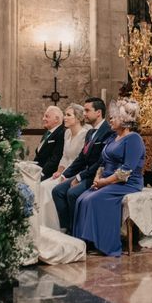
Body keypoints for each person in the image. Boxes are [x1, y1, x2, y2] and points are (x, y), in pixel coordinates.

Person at [73, 98, 145, 256]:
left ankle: (105, 244)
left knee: (94, 199)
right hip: (107, 181)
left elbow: (126, 171)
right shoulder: (113, 137)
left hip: (126, 183)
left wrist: (104, 182)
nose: (110, 119)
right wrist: (97, 179)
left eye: (114, 116)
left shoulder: (134, 139)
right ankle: (87, 242)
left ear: (125, 119)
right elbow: (103, 162)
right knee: (81, 199)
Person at [52, 97, 114, 234]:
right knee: (57, 191)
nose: (84, 113)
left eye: (87, 110)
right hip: (86, 173)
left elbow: (101, 161)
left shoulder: (108, 131)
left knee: (72, 193)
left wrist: (79, 177)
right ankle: (68, 227)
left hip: (97, 175)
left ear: (98, 112)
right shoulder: (91, 132)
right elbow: (82, 158)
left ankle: (80, 232)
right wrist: (64, 174)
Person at [37, 103, 91, 230]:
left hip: (76, 172)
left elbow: (82, 160)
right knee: (43, 185)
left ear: (78, 118)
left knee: (47, 187)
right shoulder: (67, 133)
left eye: (68, 115)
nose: (65, 118)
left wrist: (68, 175)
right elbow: (64, 156)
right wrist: (59, 171)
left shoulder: (85, 134)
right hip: (64, 171)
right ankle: (46, 225)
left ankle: (60, 226)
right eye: (65, 115)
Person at [34, 106, 65, 180]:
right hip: (38, 171)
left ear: (56, 119)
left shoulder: (61, 133)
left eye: (47, 116)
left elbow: (55, 158)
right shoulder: (48, 132)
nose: (43, 119)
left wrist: (42, 173)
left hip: (48, 174)